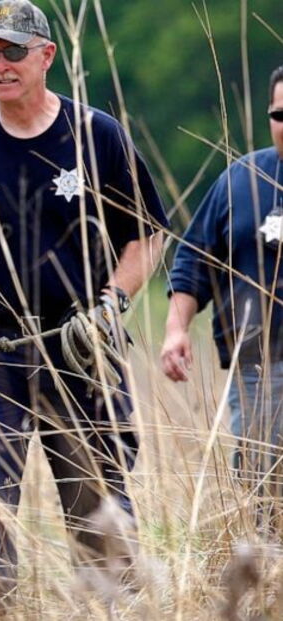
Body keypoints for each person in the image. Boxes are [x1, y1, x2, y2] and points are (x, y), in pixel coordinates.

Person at [0, 0, 169, 601]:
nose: (0, 64)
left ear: (46, 55)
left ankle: (112, 609)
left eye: (13, 51)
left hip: (79, 346)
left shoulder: (96, 134)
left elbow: (146, 234)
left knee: (97, 504)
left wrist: (112, 302)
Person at [161, 65, 283, 529]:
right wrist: (175, 330)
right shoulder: (240, 180)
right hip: (257, 367)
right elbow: (192, 263)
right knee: (263, 487)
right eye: (278, 113)